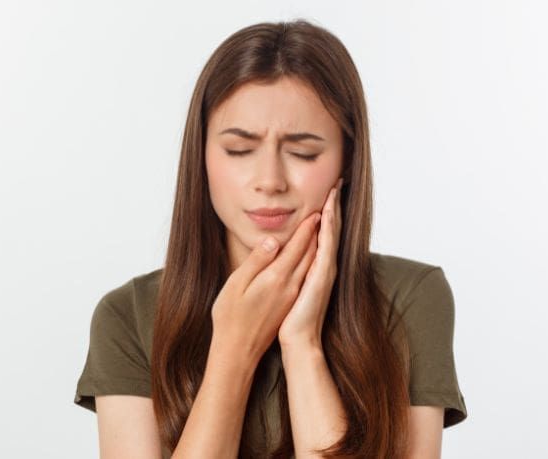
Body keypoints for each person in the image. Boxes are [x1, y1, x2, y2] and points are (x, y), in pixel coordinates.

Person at [74, 19, 467, 458]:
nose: (269, 180)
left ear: (348, 160)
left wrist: (303, 345)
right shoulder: (128, 317)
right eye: (239, 150)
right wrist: (235, 348)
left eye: (303, 152)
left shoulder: (410, 298)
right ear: (201, 156)